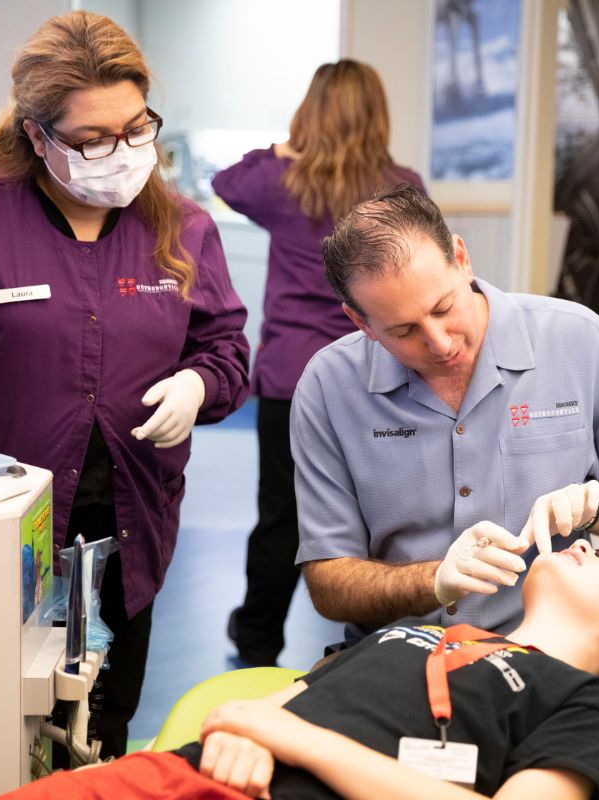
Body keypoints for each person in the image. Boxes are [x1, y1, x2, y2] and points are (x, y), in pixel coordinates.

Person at [0, 11, 251, 755]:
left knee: (102, 732)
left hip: (128, 528)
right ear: (37, 136)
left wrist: (199, 384)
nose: (124, 152)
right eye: (93, 140)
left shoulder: (183, 227)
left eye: (136, 128)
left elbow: (225, 349)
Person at [294, 185, 599, 647]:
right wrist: (436, 579)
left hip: (543, 656)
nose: (440, 343)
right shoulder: (329, 387)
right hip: (390, 656)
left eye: (444, 307)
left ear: (461, 257)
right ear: (360, 323)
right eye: (403, 331)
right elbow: (329, 584)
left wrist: (595, 503)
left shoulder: (581, 343)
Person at [0, 538, 599, 799]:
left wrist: (286, 738)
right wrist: (245, 732)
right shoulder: (417, 631)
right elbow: (280, 702)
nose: (588, 543)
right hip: (188, 775)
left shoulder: (588, 706)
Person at [211, 60, 425, 668]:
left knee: (280, 514)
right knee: (381, 512)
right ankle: (374, 635)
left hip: (292, 377)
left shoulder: (286, 182)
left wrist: (285, 147)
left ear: (311, 115)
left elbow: (228, 180)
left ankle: (256, 643)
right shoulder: (400, 187)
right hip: (380, 375)